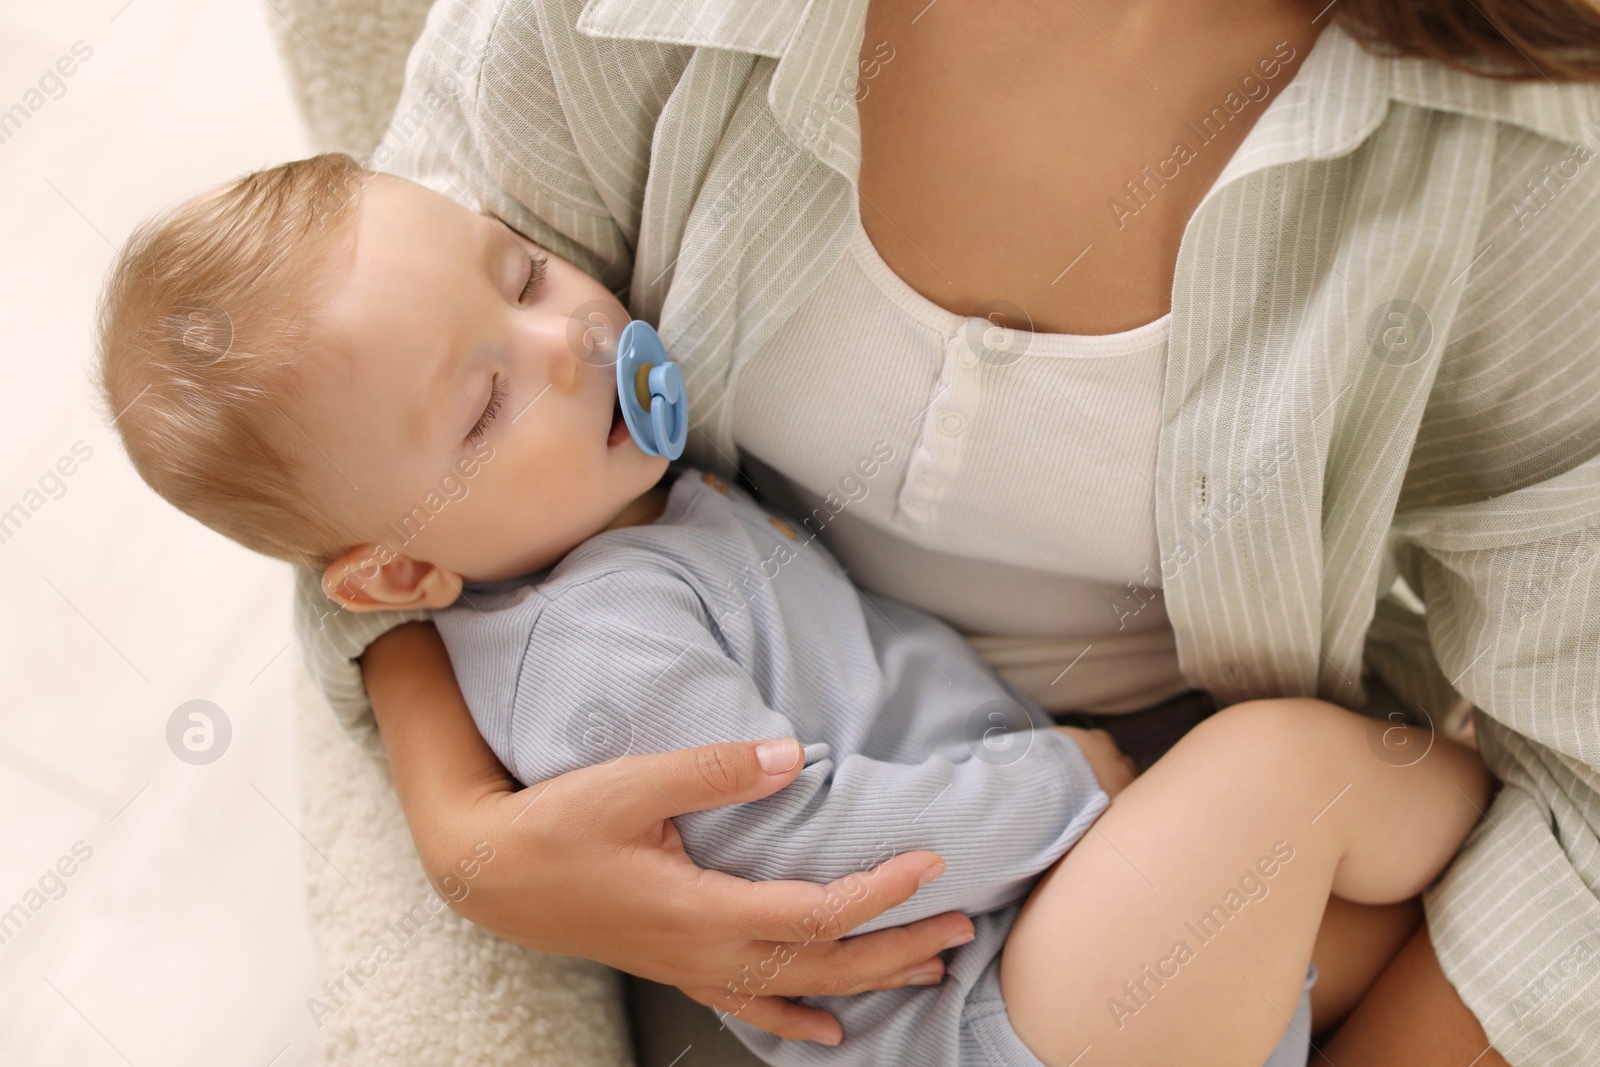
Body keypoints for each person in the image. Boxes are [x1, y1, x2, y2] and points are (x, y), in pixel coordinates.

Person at [138, 0, 1600, 1061]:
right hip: (991, 983)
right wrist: (462, 833)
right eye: (486, 404)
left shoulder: (1524, 176)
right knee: (1302, 772)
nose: (579, 338)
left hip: (1070, 908)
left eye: (535, 278)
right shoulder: (608, 610)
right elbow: (343, 471)